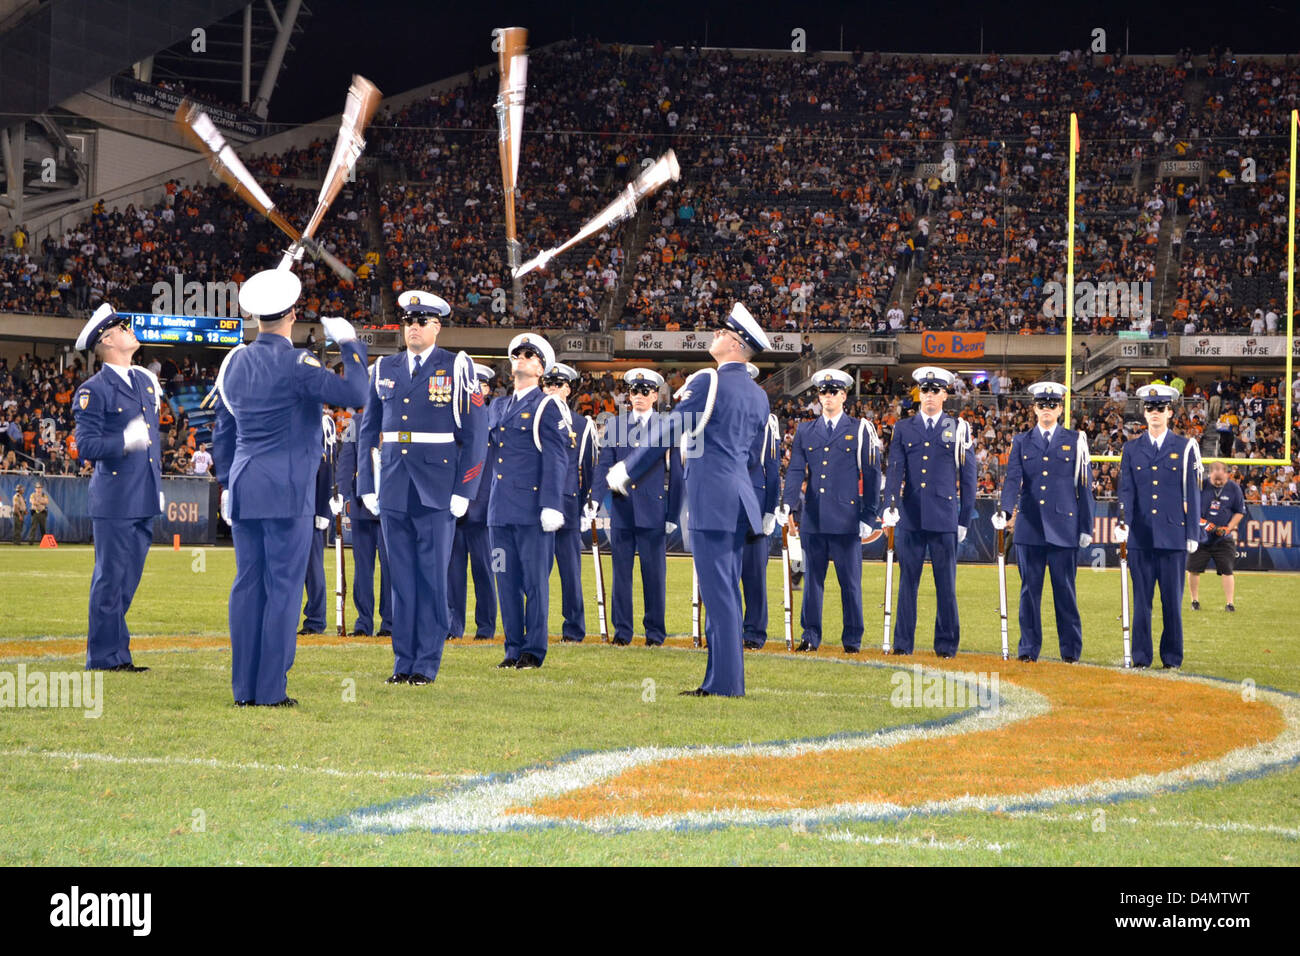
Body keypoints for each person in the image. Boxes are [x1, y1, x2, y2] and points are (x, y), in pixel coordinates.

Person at [211, 269, 369, 706]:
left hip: (245, 486)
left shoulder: (235, 362)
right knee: (282, 588)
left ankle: (243, 689)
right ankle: (270, 690)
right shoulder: (298, 363)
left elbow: (223, 429)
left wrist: (226, 481)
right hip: (286, 489)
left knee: (248, 586)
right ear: (293, 315)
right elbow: (358, 392)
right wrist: (351, 343)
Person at [613, 303, 772, 696]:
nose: (715, 335)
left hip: (713, 501)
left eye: (722, 332)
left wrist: (628, 469)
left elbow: (670, 428)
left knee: (719, 596)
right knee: (725, 590)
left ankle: (727, 684)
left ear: (735, 344)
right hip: (738, 498)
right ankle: (716, 680)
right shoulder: (757, 395)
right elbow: (751, 457)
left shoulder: (708, 381)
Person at [356, 290, 486, 686]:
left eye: (422, 321)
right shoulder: (384, 368)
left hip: (437, 487)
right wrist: (366, 482)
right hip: (394, 484)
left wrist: (465, 490)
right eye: (408, 320)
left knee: (431, 579)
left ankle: (426, 664)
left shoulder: (458, 367)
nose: (413, 326)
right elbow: (368, 431)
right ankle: (403, 662)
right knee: (402, 578)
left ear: (437, 327)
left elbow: (475, 435)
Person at [72, 302, 164, 672]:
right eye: (123, 328)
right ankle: (103, 657)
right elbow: (87, 446)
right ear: (108, 340)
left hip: (142, 494)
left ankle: (117, 654)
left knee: (127, 582)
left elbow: (152, 442)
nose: (130, 330)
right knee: (110, 580)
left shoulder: (142, 381)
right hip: (114, 497)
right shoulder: (94, 389)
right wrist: (124, 441)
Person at [776, 368, 881, 654]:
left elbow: (871, 473)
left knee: (850, 584)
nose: (827, 397)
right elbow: (796, 469)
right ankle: (810, 635)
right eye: (823, 392)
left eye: (833, 392)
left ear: (844, 395)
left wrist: (869, 515)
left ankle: (852, 638)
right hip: (815, 517)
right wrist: (788, 504)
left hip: (847, 519)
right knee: (812, 582)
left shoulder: (859, 428)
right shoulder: (807, 429)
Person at [484, 333, 569, 669]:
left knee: (534, 582)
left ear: (540, 368)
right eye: (517, 353)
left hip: (532, 511)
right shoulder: (498, 406)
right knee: (504, 580)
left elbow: (557, 458)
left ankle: (533, 649)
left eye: (529, 354)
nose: (521, 357)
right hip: (499, 510)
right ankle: (512, 648)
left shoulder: (547, 405)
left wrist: (552, 504)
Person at [993, 381, 1095, 663]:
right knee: (1029, 592)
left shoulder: (1076, 440)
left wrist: (1087, 526)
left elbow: (1084, 486)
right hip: (1030, 526)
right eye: (1042, 405)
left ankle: (1071, 652)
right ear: (1034, 408)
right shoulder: (1021, 441)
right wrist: (1005, 509)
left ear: (1060, 409)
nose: (1047, 409)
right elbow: (1013, 479)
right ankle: (1028, 649)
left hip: (1064, 527)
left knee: (1065, 592)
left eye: (1052, 405)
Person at [880, 366, 977, 657]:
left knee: (945, 585)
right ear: (919, 394)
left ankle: (946, 645)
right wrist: (889, 505)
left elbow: (968, 477)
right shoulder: (904, 427)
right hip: (911, 516)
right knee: (907, 583)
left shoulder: (958, 428)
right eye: (925, 390)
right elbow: (895, 470)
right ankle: (902, 644)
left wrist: (964, 518)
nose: (930, 396)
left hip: (944, 516)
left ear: (945, 394)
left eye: (936, 390)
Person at [588, 367, 682, 646]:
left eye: (645, 391)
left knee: (654, 577)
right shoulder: (616, 426)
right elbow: (604, 464)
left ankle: (655, 634)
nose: (638, 396)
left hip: (653, 512)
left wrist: (673, 513)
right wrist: (595, 498)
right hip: (622, 510)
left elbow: (676, 473)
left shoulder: (667, 426)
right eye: (634, 391)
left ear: (655, 395)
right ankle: (623, 632)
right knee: (621, 577)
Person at [1114, 383, 1201, 669]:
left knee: (1172, 604)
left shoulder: (1185, 447)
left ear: (1170, 412)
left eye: (1160, 408)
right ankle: (1141, 658)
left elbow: (1192, 491)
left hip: (1173, 535)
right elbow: (1125, 491)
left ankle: (1172, 658)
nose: (1154, 413)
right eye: (1150, 408)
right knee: (1142, 603)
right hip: (1140, 536)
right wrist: (1122, 522)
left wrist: (1192, 533)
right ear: (1144, 411)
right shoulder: (1131, 448)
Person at [543, 363, 596, 643]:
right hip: (537, 505)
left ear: (568, 389)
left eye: (558, 384)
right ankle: (535, 627)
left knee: (571, 574)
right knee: (536, 572)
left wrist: (585, 501)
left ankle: (574, 630)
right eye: (548, 384)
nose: (552, 388)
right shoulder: (532, 417)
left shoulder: (582, 424)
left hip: (568, 504)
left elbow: (588, 468)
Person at [446, 363, 497, 642]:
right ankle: (453, 626)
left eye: (478, 383)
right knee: (452, 573)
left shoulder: (493, 421)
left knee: (484, 572)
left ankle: (486, 627)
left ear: (487, 389)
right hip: (454, 509)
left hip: (482, 509)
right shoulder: (451, 419)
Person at [336, 409, 392, 637]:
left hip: (390, 505)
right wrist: (340, 492)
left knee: (390, 568)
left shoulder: (399, 415)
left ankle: (389, 623)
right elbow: (346, 460)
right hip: (361, 506)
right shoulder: (355, 423)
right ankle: (363, 622)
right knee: (363, 569)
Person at [741, 362, 781, 650]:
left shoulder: (768, 421)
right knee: (721, 577)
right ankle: (721, 633)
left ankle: (754, 633)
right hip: (723, 506)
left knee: (755, 576)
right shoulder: (713, 415)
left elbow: (773, 468)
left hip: (754, 505)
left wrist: (770, 510)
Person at [1187, 460, 1244, 612]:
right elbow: (1189, 508)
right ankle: (1194, 600)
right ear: (1209, 473)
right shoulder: (1201, 486)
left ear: (1227, 473)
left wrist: (1228, 528)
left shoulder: (1234, 488)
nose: (1218, 482)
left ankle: (1230, 603)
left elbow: (1239, 511)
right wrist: (1205, 524)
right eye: (1215, 479)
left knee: (1227, 570)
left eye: (1221, 479)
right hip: (1201, 537)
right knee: (1193, 569)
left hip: (1223, 539)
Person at [298, 446, 333, 635]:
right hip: (283, 508)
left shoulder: (320, 423)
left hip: (309, 511)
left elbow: (327, 467)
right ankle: (285, 619)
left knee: (313, 571)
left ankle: (316, 619)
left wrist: (323, 509)